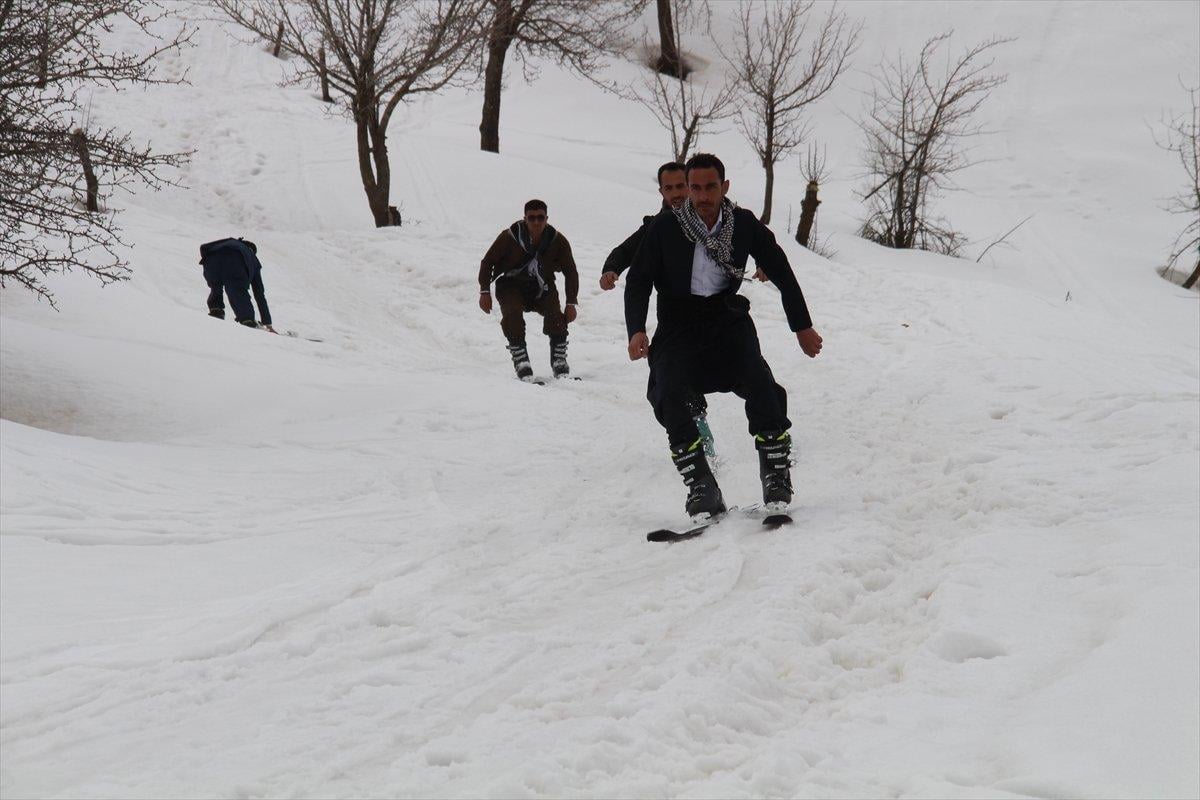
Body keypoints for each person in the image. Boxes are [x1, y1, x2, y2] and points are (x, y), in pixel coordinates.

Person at [624, 152, 823, 517]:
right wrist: (636, 328)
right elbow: (638, 279)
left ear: (724, 187)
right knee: (667, 393)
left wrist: (802, 326)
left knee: (762, 386)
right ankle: (701, 484)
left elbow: (781, 269)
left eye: (710, 187)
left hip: (725, 319)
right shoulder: (665, 227)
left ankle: (775, 472)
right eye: (694, 187)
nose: (702, 196)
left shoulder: (743, 224)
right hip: (677, 324)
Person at [603, 162, 716, 457]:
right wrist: (612, 269)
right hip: (674, 316)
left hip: (717, 312)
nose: (677, 193)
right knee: (670, 375)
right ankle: (695, 429)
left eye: (682, 186)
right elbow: (626, 251)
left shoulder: (714, 218)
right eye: (670, 188)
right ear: (662, 191)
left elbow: (745, 241)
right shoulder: (657, 226)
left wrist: (763, 266)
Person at [478, 200, 580, 380]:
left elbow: (570, 271)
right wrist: (484, 291)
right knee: (513, 314)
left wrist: (571, 302)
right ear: (524, 218)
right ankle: (520, 358)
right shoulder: (509, 237)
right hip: (511, 285)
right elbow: (487, 262)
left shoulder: (557, 240)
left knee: (555, 314)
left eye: (540, 218)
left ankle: (559, 360)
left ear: (547, 219)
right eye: (531, 218)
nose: (536, 222)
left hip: (541, 287)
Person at [199, 237, 274, 331]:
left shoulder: (228, 243)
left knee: (215, 286)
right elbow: (259, 293)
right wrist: (267, 323)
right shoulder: (252, 257)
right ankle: (247, 320)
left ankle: (216, 310)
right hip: (234, 262)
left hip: (211, 260)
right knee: (236, 289)